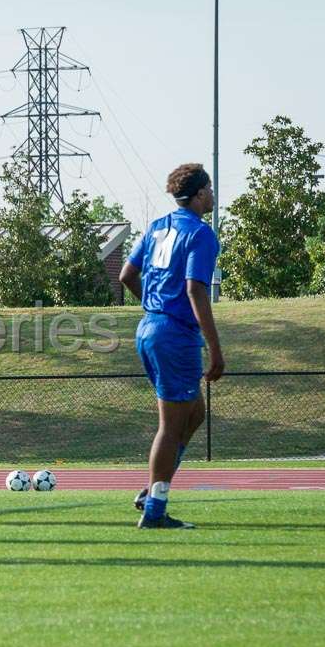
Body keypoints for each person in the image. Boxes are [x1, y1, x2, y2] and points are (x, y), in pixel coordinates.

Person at [119, 163, 225, 529]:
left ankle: (152, 492)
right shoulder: (201, 234)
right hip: (174, 334)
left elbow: (126, 275)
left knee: (194, 414)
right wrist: (215, 347)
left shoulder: (157, 227)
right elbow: (196, 289)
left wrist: (154, 306)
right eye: (209, 189)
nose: (212, 195)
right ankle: (154, 511)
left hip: (149, 328)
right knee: (170, 424)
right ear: (198, 195)